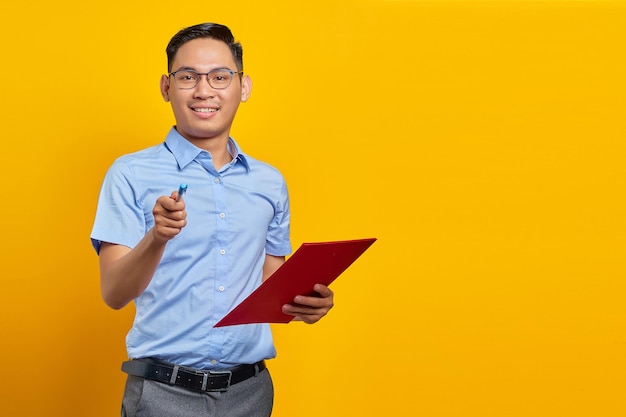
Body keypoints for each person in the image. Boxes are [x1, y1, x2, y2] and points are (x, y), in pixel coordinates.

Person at [90, 22, 334, 417]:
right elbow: (114, 294)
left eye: (220, 76)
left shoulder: (269, 183)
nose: (204, 90)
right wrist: (157, 237)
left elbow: (272, 293)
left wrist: (309, 302)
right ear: (167, 87)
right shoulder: (130, 173)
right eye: (188, 76)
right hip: (161, 393)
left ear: (244, 86)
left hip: (250, 393)